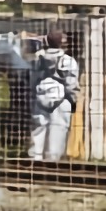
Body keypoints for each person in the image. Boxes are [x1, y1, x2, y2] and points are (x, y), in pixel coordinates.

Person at [28, 31, 80, 161]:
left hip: (41, 97)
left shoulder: (37, 59)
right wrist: (74, 100)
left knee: (39, 128)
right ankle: (52, 159)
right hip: (61, 99)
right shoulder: (68, 61)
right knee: (58, 129)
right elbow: (71, 83)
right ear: (62, 43)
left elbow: (32, 80)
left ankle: (35, 158)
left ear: (46, 41)